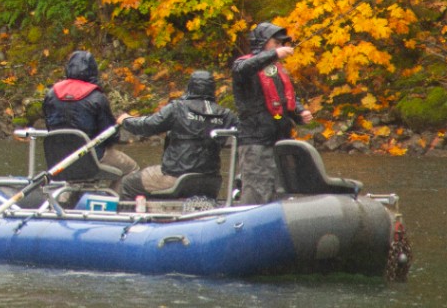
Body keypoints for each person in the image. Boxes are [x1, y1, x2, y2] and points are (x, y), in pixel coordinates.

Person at [114, 71, 239, 198]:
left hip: (177, 177)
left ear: (190, 87)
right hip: (211, 182)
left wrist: (125, 120)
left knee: (128, 183)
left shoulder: (178, 108)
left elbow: (147, 126)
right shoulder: (226, 115)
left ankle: (132, 216)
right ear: (213, 89)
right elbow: (246, 136)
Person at [231, 21, 312, 204]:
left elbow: (285, 100)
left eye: (281, 44)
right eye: (276, 42)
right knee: (257, 191)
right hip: (255, 141)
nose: (280, 46)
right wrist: (274, 54)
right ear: (263, 43)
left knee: (280, 190)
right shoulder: (243, 66)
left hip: (280, 140)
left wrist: (300, 112)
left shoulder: (274, 70)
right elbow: (246, 67)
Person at [39, 49, 138, 184]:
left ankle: (69, 198)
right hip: (91, 156)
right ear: (93, 70)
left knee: (78, 170)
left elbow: (50, 127)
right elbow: (109, 135)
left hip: (60, 158)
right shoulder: (97, 97)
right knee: (132, 169)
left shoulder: (51, 94)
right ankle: (115, 202)